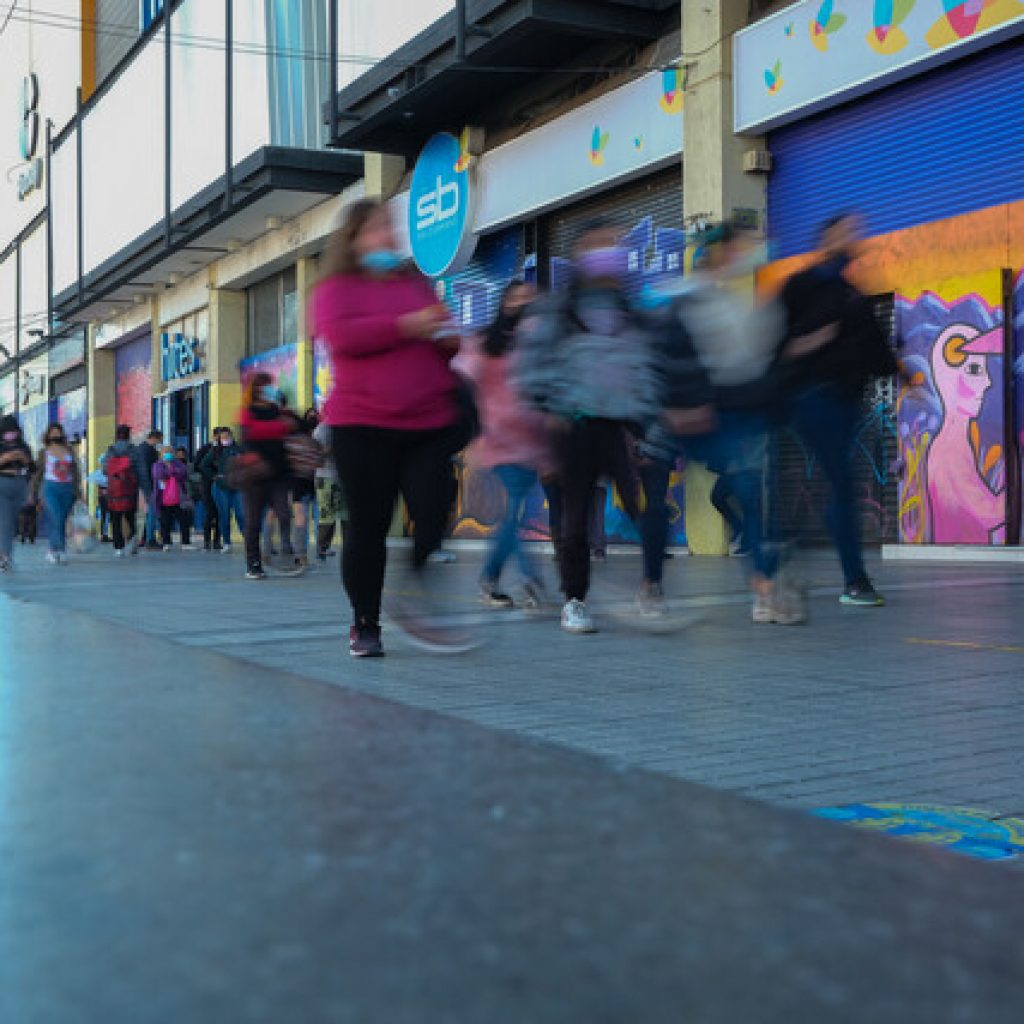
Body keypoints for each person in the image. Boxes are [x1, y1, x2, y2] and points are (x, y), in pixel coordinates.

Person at [310, 198, 467, 657]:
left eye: (390, 227)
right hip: (362, 424)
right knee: (367, 526)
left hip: (427, 419)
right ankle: (365, 623)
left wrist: (445, 336)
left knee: (436, 505)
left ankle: (412, 587)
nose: (389, 235)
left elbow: (443, 340)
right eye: (378, 228)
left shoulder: (414, 280)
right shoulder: (337, 287)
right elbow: (343, 337)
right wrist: (407, 325)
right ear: (354, 239)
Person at [516, 218, 661, 634]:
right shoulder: (560, 309)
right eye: (598, 244)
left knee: (641, 507)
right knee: (575, 519)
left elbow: (641, 367)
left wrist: (644, 420)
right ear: (581, 254)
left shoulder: (628, 309)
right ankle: (574, 600)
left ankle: (653, 586)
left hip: (617, 427)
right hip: (572, 427)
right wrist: (546, 412)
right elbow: (531, 365)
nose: (608, 251)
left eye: (612, 243)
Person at [653, 221, 800, 624]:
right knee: (748, 494)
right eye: (744, 245)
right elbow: (672, 357)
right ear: (722, 251)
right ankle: (760, 586)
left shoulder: (742, 304)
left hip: (749, 413)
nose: (752, 251)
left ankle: (765, 587)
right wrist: (683, 406)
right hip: (712, 415)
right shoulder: (687, 298)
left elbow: (759, 362)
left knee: (754, 497)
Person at [779, 213, 898, 607]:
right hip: (813, 397)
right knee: (842, 483)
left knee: (838, 483)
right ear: (826, 238)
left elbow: (877, 351)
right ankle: (853, 580)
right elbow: (778, 341)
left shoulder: (852, 295)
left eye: (857, 232)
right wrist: (810, 342)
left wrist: (908, 379)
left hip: (846, 401)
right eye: (846, 231)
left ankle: (790, 559)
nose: (854, 237)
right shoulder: (802, 285)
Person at [459, 280, 550, 609]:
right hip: (498, 441)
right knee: (515, 511)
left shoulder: (538, 342)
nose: (523, 303)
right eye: (517, 297)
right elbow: (466, 390)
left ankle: (491, 579)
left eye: (530, 298)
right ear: (503, 302)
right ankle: (528, 579)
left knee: (516, 514)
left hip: (532, 444)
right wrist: (471, 437)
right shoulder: (484, 342)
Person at [239, 373, 302, 579]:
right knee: (253, 521)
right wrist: (277, 427)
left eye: (270, 386)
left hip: (279, 473)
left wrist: (284, 416)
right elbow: (247, 437)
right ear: (256, 389)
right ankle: (253, 563)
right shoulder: (247, 412)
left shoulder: (277, 410)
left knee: (284, 513)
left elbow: (297, 427)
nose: (269, 389)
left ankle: (286, 554)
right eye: (265, 386)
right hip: (256, 474)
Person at [32, 423, 82, 565]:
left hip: (67, 489)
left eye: (57, 432)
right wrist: (33, 493)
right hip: (50, 488)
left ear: (61, 434)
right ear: (48, 435)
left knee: (62, 520)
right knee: (56, 516)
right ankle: (55, 550)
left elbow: (76, 472)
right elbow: (37, 474)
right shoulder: (44, 452)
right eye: (52, 432)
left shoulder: (69, 450)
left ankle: (58, 549)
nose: (55, 434)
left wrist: (79, 492)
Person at [201, 426, 245, 554]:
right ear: (219, 438)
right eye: (223, 437)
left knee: (241, 514)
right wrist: (214, 476)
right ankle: (226, 542)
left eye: (228, 436)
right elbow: (204, 465)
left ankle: (248, 540)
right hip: (221, 487)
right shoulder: (215, 451)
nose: (226, 439)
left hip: (238, 486)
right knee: (224, 515)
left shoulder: (239, 450)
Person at [0, 415, 34, 573]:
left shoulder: (24, 446)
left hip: (20, 483)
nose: (11, 434)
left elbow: (32, 468)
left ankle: (5, 554)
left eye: (13, 430)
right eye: (7, 431)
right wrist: (5, 458)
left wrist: (24, 459)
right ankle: (5, 557)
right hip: (2, 482)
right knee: (5, 522)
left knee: (13, 524)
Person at [101, 424, 141, 556]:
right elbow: (140, 470)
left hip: (114, 490)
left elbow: (105, 470)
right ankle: (132, 540)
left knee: (115, 518)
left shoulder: (110, 450)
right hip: (130, 490)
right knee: (130, 517)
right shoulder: (133, 450)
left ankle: (118, 547)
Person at [313, 418, 346, 560]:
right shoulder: (322, 429)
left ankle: (349, 546)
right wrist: (335, 446)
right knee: (327, 514)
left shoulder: (344, 426)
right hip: (325, 477)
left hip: (342, 477)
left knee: (346, 514)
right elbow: (317, 454)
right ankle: (322, 547)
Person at [152, 445, 192, 550]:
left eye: (170, 451)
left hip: (179, 497)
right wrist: (171, 471)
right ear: (161, 454)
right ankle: (166, 542)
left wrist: (171, 468)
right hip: (163, 498)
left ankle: (185, 542)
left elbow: (183, 473)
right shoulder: (157, 465)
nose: (168, 453)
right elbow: (159, 475)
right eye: (165, 452)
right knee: (165, 521)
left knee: (183, 520)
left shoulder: (179, 464)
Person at [194, 429, 222, 550]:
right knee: (210, 512)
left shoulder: (226, 449)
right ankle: (207, 539)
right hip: (207, 484)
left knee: (221, 513)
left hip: (221, 484)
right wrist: (211, 474)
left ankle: (217, 540)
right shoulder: (205, 449)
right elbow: (197, 465)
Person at [137, 429, 164, 550]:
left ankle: (146, 537)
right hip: (149, 485)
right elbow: (146, 470)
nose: (160, 442)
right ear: (154, 438)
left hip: (145, 486)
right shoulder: (147, 451)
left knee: (149, 513)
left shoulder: (141, 449)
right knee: (152, 513)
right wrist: (149, 488)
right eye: (159, 440)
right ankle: (150, 539)